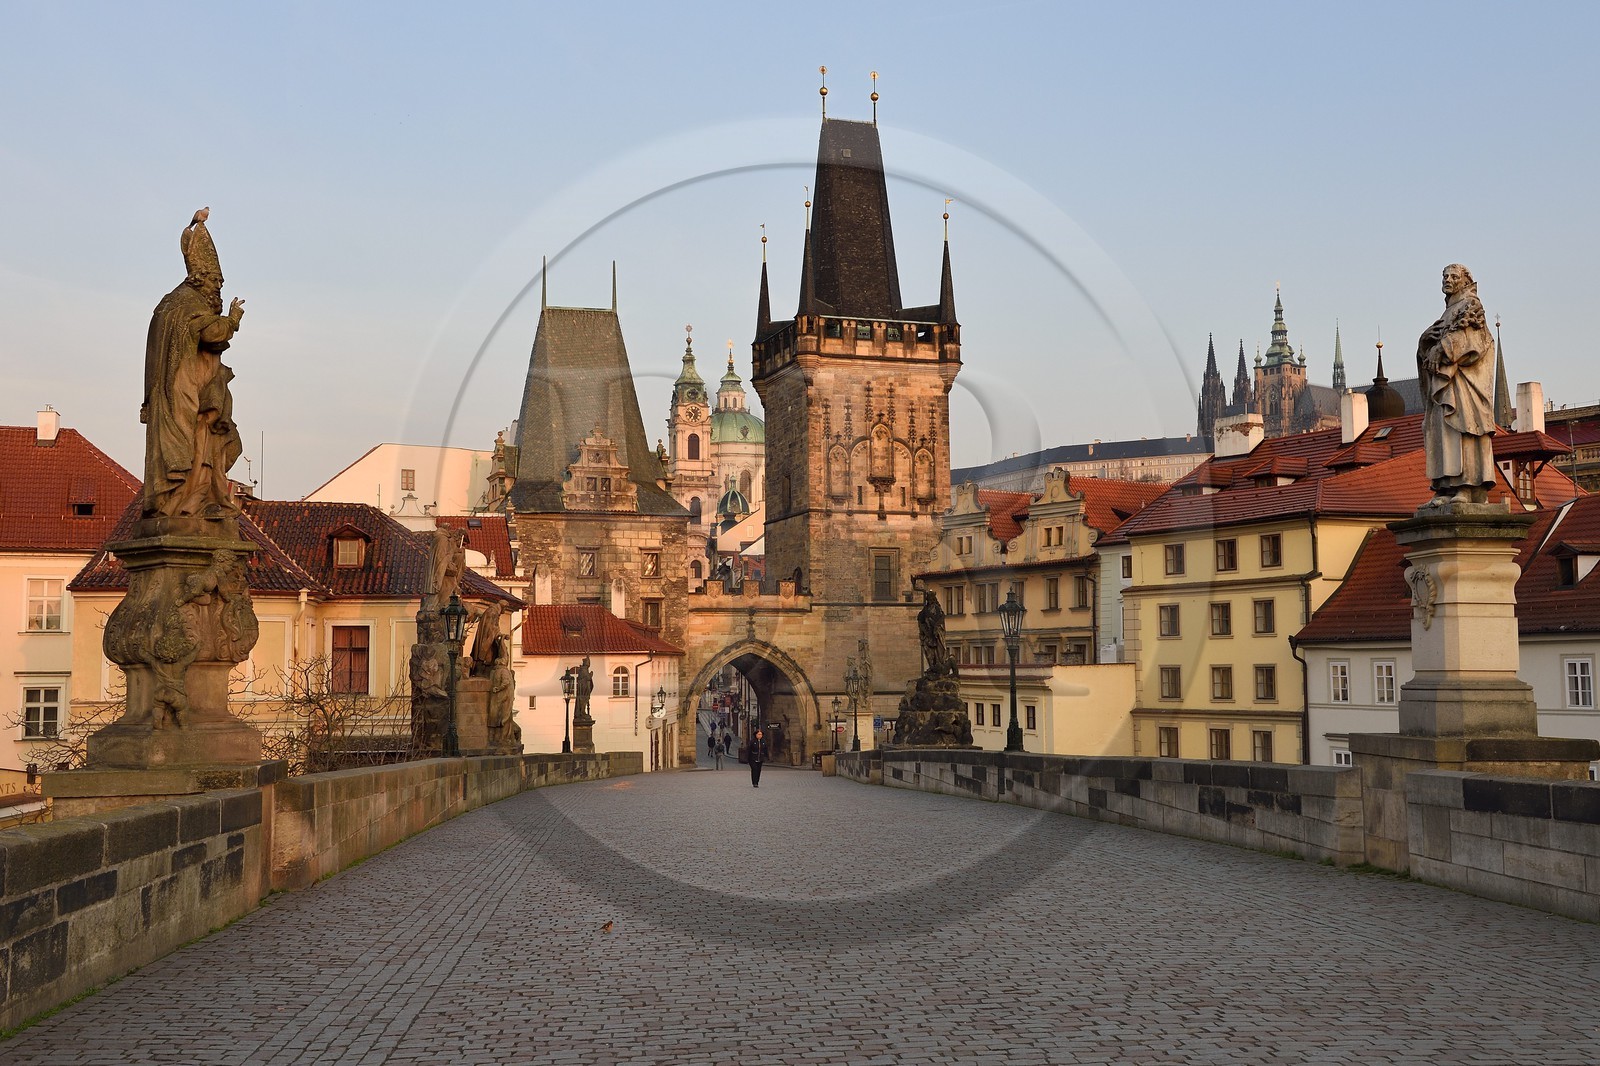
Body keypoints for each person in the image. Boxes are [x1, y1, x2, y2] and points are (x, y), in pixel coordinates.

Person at [141, 209, 246, 519]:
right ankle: (185, 505)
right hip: (186, 394)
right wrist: (232, 319)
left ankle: (176, 503)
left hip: (168, 393)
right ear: (203, 278)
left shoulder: (168, 304)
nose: (219, 288)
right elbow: (212, 333)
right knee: (192, 448)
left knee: (182, 449)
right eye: (217, 281)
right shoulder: (190, 304)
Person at [1416, 264, 1497, 504]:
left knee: (1466, 430)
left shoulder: (1471, 305)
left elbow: (1472, 342)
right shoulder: (1448, 313)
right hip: (1445, 384)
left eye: (1453, 276)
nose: (1447, 280)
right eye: (1444, 276)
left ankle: (1468, 486)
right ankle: (1447, 487)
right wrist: (1424, 345)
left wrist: (1442, 349)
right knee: (1445, 433)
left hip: (1465, 384)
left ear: (1465, 281)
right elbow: (1429, 348)